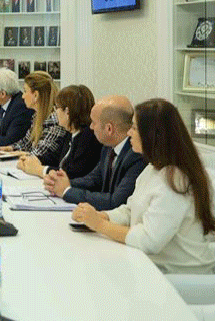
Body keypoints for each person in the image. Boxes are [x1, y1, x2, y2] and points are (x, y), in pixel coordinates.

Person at [72, 99, 215, 274]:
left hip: (181, 275)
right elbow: (130, 210)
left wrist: (100, 225)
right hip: (155, 266)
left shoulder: (176, 180)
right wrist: (101, 216)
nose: (129, 133)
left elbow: (149, 241)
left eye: (134, 128)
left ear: (151, 135)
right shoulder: (153, 169)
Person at [44, 95, 146, 210]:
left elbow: (115, 202)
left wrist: (67, 191)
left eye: (93, 122)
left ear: (109, 129)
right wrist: (60, 182)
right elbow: (94, 179)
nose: (91, 127)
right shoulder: (108, 147)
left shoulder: (137, 155)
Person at [17, 84, 102, 179]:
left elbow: (72, 173)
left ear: (67, 111)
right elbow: (54, 156)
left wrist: (40, 170)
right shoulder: (70, 132)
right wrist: (33, 160)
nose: (55, 112)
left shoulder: (88, 137)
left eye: (57, 107)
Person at [0, 71, 67, 167]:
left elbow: (38, 155)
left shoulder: (53, 121)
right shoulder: (37, 116)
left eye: (25, 91)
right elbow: (26, 143)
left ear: (36, 95)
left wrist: (14, 154)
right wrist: (8, 149)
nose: (22, 96)